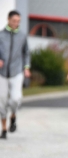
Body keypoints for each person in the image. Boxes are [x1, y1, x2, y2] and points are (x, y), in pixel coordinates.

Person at [0, 11, 31, 139]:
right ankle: (4, 129)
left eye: (18, 21)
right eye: (14, 20)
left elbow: (26, 53)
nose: (16, 23)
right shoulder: (1, 35)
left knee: (15, 99)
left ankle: (13, 115)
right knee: (1, 102)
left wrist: (27, 67)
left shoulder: (22, 36)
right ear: (8, 19)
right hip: (2, 73)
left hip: (17, 71)